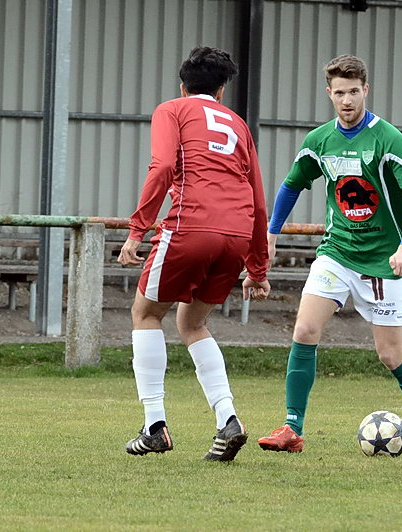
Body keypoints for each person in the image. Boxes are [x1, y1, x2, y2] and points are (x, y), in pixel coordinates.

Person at [257, 55, 402, 457]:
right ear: (329, 93)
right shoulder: (319, 141)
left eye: (354, 92)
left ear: (365, 90)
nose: (346, 100)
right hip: (337, 252)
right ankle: (292, 427)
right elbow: (291, 185)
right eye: (339, 93)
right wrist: (271, 234)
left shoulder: (387, 139)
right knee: (305, 330)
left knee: (390, 355)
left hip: (383, 261)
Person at [118, 46, 270, 462]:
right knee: (192, 322)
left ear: (182, 86)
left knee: (146, 314)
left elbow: (163, 167)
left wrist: (137, 230)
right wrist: (257, 267)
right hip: (236, 234)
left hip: (191, 225)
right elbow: (258, 199)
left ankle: (154, 426)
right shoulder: (238, 124)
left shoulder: (172, 110)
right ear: (221, 92)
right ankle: (228, 419)